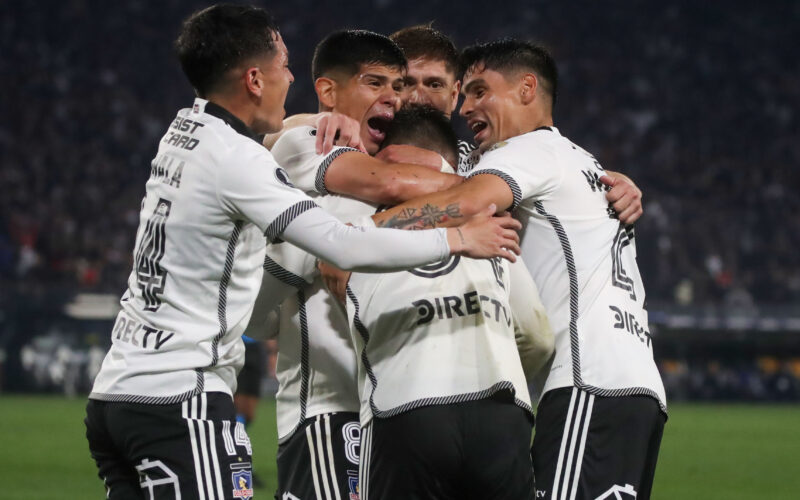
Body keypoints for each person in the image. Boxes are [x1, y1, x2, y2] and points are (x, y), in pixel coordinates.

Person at [83, 6, 521, 498]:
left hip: (124, 387)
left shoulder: (184, 131)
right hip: (194, 394)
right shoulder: (275, 151)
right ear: (254, 79)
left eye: (417, 86)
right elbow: (347, 234)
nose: (405, 99)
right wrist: (464, 225)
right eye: (284, 67)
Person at [369, 39, 666, 499]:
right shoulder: (582, 161)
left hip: (585, 380)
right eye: (464, 94)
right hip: (632, 383)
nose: (466, 107)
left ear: (527, 89)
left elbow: (467, 201)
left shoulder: (526, 152)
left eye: (480, 91)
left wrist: (363, 235)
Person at [346, 104, 554, 500]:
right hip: (501, 410)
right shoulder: (494, 225)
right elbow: (538, 336)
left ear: (381, 161)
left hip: (405, 407)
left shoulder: (355, 221)